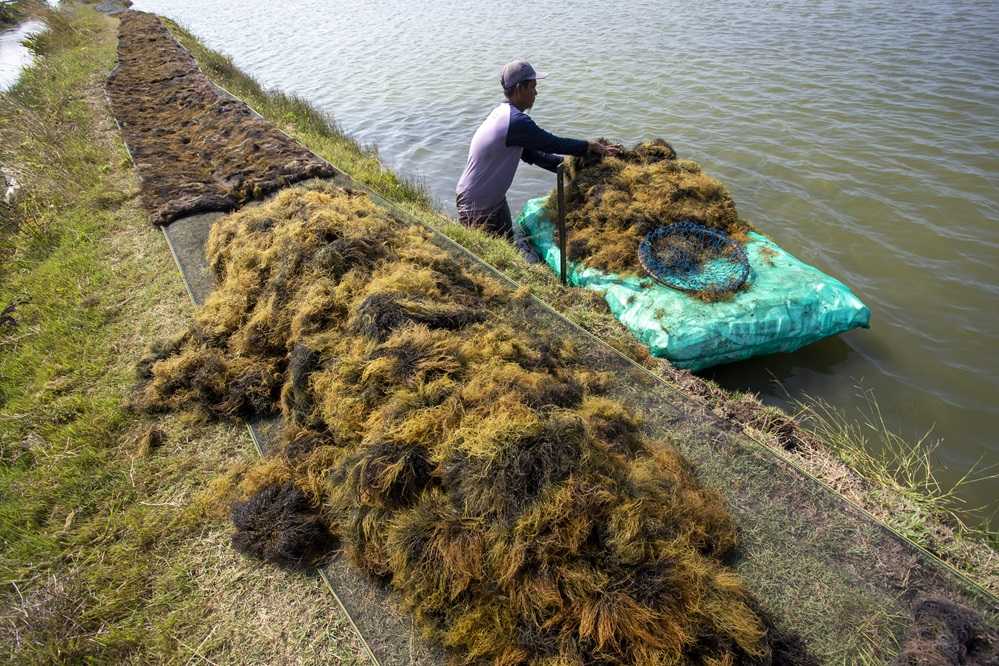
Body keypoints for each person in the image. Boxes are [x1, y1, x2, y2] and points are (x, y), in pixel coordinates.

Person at [455, 60, 616, 259]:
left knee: (507, 249)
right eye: (533, 87)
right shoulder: (515, 122)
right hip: (477, 205)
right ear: (519, 88)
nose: (536, 93)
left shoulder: (504, 115)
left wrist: (575, 167)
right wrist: (588, 146)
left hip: (493, 199)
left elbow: (534, 155)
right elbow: (550, 142)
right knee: (490, 261)